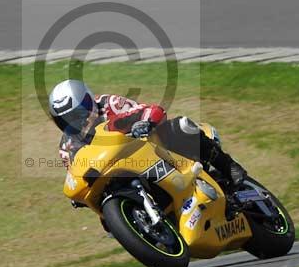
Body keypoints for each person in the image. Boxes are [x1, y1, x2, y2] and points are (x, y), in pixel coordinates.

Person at [48, 79, 246, 187]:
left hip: (155, 150)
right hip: (120, 173)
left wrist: (146, 123)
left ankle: (228, 165)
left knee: (182, 126)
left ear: (89, 102)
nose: (76, 123)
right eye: (66, 120)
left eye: (78, 115)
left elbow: (152, 110)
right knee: (107, 222)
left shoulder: (111, 105)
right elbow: (77, 176)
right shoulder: (68, 147)